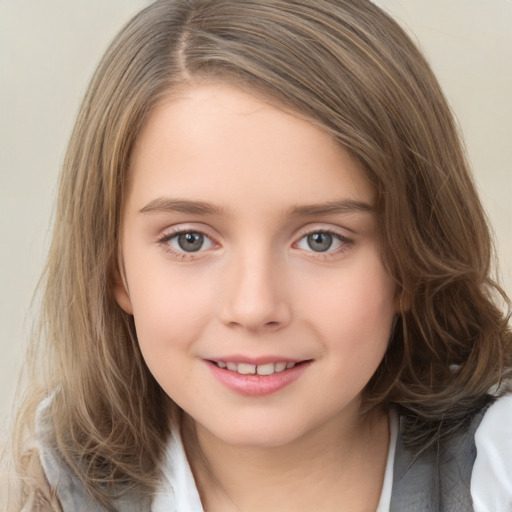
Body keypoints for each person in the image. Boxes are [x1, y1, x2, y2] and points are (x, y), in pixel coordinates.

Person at [3, 0, 512, 510]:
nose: (253, 307)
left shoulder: (497, 471)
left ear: (411, 262)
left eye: (321, 239)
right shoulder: (52, 488)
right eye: (190, 240)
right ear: (115, 268)